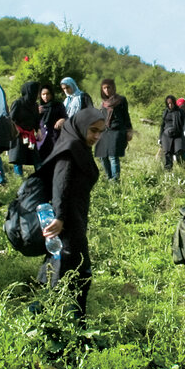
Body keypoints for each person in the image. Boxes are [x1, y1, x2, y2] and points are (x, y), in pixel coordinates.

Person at [35, 107, 108, 322]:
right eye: (93, 130)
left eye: (100, 131)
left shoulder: (79, 147)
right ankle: (64, 320)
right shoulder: (70, 148)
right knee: (76, 271)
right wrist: (59, 218)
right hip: (67, 221)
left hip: (74, 217)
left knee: (61, 267)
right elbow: (60, 184)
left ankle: (47, 316)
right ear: (81, 127)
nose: (96, 136)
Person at [94, 78, 133, 181]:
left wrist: (129, 131)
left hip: (116, 130)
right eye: (104, 88)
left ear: (113, 87)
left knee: (113, 155)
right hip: (104, 131)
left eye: (108, 87)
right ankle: (108, 177)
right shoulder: (103, 103)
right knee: (102, 155)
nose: (106, 90)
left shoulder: (121, 100)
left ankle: (115, 180)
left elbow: (126, 116)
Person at [8, 80, 42, 177]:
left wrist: (38, 130)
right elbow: (11, 119)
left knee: (36, 160)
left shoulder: (34, 105)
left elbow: (36, 120)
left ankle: (41, 180)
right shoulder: (18, 103)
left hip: (30, 136)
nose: (38, 94)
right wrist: (16, 129)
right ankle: (19, 182)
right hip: (18, 135)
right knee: (18, 160)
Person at [37, 83, 67, 162]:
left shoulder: (58, 105)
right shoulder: (39, 107)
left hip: (55, 135)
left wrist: (62, 120)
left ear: (51, 94)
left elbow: (66, 117)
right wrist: (36, 113)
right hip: (42, 136)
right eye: (43, 94)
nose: (45, 96)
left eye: (48, 94)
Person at [159, 95, 185, 171]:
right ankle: (168, 172)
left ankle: (183, 170)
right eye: (168, 103)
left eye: (171, 103)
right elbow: (162, 125)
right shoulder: (165, 112)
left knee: (179, 152)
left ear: (174, 103)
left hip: (178, 134)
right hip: (166, 135)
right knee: (167, 153)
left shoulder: (180, 111)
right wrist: (160, 137)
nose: (170, 105)